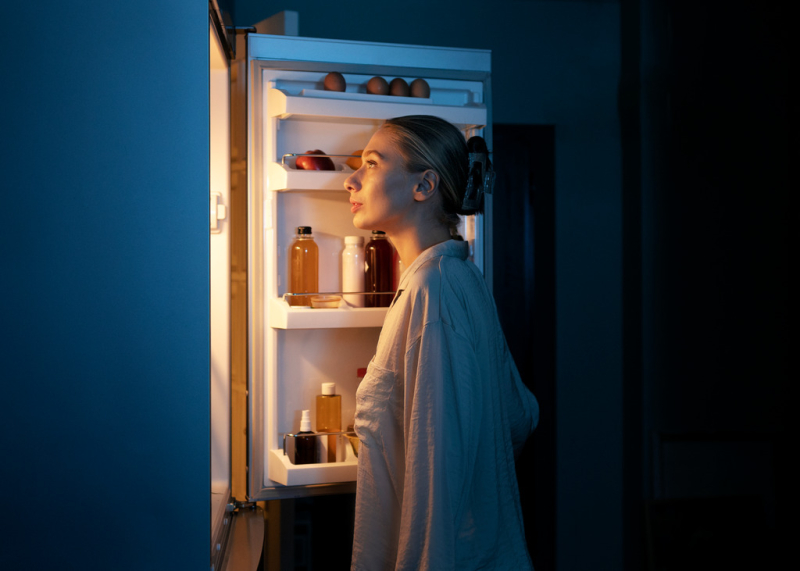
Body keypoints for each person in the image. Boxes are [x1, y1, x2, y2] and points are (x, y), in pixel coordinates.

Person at [344, 115, 539, 571]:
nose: (351, 178)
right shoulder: (458, 275)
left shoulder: (431, 293)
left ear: (423, 185)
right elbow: (519, 415)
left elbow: (437, 474)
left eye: (371, 163)